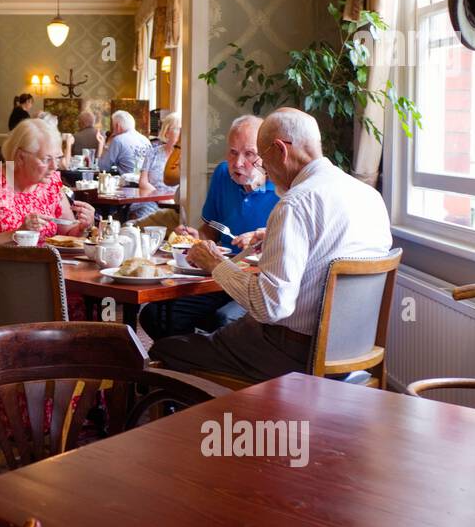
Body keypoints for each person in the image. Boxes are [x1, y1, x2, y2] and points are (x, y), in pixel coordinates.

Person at [150, 108, 393, 383]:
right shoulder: (369, 196)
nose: (264, 170)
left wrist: (216, 264)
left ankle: (223, 419)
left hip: (294, 356)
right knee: (214, 331)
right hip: (355, 348)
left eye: (262, 160)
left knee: (164, 350)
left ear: (280, 150)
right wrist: (274, 239)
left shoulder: (295, 204)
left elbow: (270, 306)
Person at [0, 117, 96, 356]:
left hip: (45, 276)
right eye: (46, 159)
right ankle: (17, 385)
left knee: (87, 310)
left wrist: (82, 226)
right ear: (20, 156)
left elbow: (66, 232)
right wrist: (15, 234)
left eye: (57, 158)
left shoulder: (51, 183)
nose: (55, 167)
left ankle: (66, 383)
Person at [137, 115, 276, 339]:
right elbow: (210, 230)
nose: (238, 162)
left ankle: (205, 362)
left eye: (249, 154)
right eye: (233, 152)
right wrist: (195, 238)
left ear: (265, 155)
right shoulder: (223, 174)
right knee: (155, 315)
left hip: (258, 284)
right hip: (219, 278)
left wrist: (261, 239)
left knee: (224, 320)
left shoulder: (283, 187)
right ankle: (187, 366)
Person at [131, 112, 181, 220]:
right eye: (178, 129)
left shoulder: (185, 156)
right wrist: (159, 197)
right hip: (151, 201)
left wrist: (170, 199)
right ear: (167, 132)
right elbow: (143, 182)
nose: (182, 133)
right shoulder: (152, 153)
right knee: (138, 218)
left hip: (176, 204)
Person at [95, 109, 150, 175]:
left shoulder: (118, 140)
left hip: (129, 183)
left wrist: (104, 144)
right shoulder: (146, 140)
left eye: (112, 127)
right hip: (147, 182)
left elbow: (102, 167)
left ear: (117, 126)